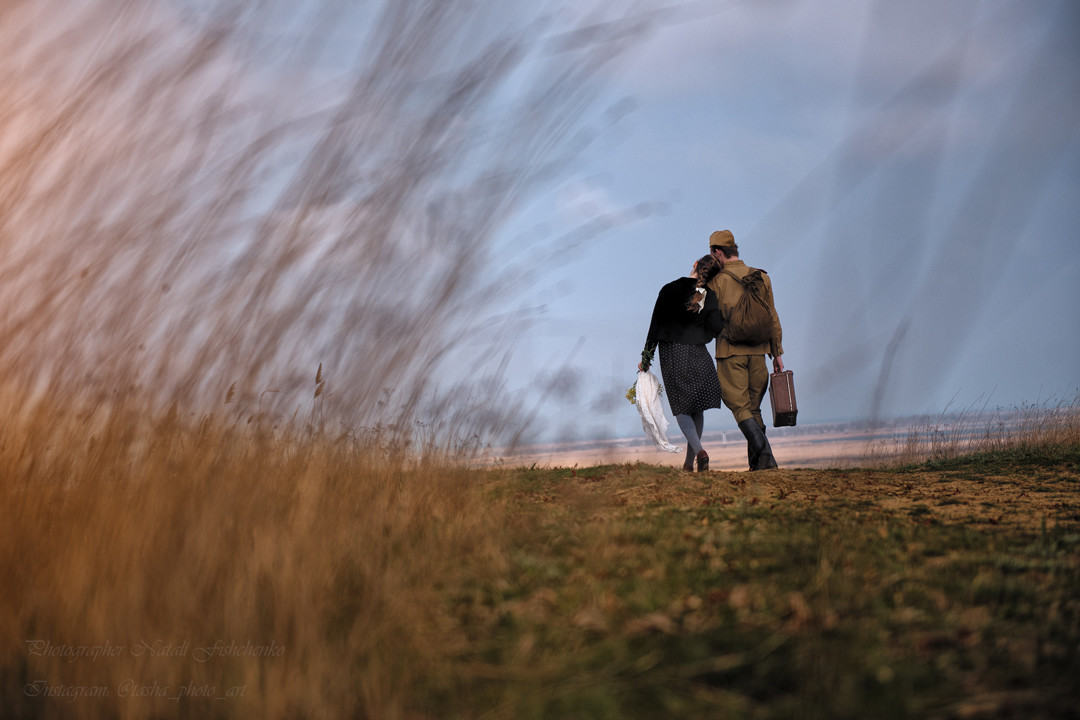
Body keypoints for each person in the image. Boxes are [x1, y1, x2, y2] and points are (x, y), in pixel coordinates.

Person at [706, 229, 784, 470]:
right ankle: (758, 465)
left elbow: (706, 317)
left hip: (730, 352)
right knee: (753, 407)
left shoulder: (716, 282)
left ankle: (767, 458)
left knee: (740, 407)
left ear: (718, 252)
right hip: (759, 352)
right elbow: (772, 316)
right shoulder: (761, 277)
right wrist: (777, 352)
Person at [639, 254, 725, 472]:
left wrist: (646, 358)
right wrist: (701, 334)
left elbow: (655, 325)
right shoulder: (710, 295)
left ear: (695, 264)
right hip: (698, 353)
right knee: (697, 407)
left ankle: (700, 452)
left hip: (673, 354)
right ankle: (689, 465)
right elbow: (716, 327)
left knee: (681, 407)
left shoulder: (669, 289)